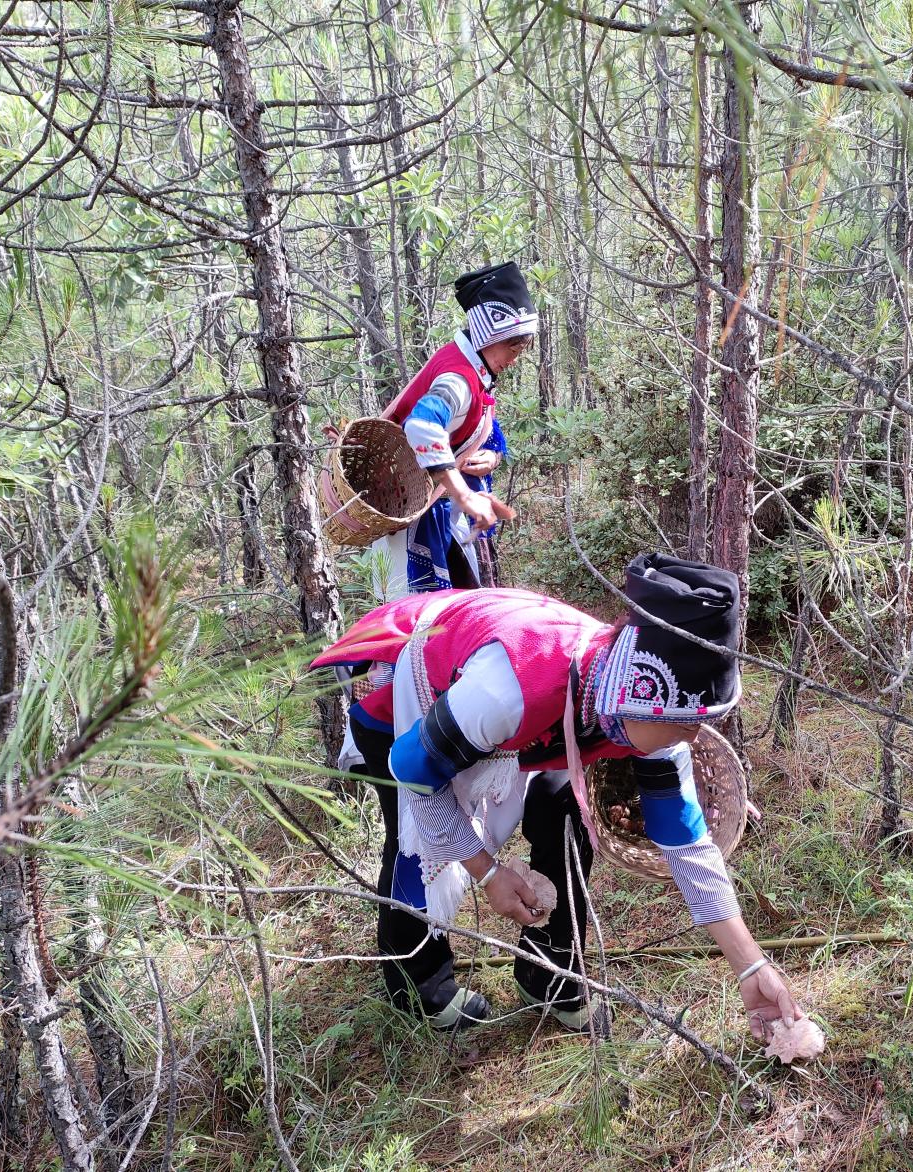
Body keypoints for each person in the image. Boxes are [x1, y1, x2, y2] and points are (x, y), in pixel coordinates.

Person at [312, 553, 806, 1038]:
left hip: (524, 727)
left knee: (568, 804)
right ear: (639, 699)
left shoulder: (636, 706)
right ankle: (419, 987)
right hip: (410, 692)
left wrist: (750, 967)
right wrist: (487, 872)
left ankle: (549, 972)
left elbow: (687, 843)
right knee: (413, 845)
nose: (694, 738)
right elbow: (416, 775)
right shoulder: (509, 690)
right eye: (685, 724)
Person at [374, 261, 535, 597]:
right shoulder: (458, 379)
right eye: (513, 348)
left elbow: (478, 426)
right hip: (413, 517)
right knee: (411, 627)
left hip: (434, 513)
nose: (514, 359)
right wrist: (463, 494)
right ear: (490, 336)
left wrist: (492, 455)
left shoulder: (473, 371)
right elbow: (422, 426)